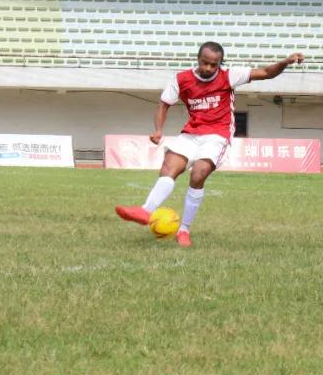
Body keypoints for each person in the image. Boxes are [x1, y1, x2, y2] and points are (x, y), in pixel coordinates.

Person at [115, 43, 304, 247]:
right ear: (198, 58)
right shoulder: (181, 79)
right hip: (191, 133)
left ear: (219, 64)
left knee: (198, 173)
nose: (208, 68)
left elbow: (266, 73)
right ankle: (146, 211)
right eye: (204, 63)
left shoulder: (229, 76)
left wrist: (285, 62)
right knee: (169, 167)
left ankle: (184, 230)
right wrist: (158, 129)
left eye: (213, 65)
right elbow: (163, 105)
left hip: (218, 134)